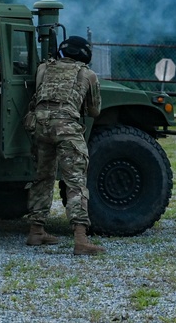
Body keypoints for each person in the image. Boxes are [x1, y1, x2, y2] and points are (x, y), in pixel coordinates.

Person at [25, 35, 105, 256]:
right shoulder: (87, 74)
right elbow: (94, 111)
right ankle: (80, 239)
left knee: (42, 177)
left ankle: (36, 231)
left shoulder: (43, 68)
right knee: (76, 181)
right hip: (67, 128)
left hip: (40, 125)